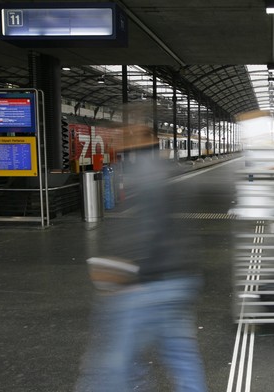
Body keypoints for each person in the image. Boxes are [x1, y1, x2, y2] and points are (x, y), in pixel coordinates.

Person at [75, 122, 207, 392]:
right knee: (181, 356)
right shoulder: (170, 169)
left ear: (136, 138)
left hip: (146, 280)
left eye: (125, 135)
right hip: (180, 276)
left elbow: (146, 226)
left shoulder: (143, 171)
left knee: (115, 362)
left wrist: (122, 266)